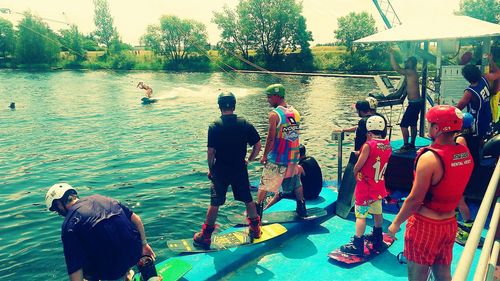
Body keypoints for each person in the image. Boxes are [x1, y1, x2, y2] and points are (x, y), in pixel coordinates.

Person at [388, 105, 474, 281]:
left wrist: (396, 223)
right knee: (443, 272)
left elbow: (415, 199)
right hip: (450, 224)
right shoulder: (464, 152)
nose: (428, 127)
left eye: (430, 124)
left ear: (437, 128)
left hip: (425, 226)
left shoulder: (429, 159)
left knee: (417, 276)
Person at [45, 183, 155, 281]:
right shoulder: (104, 199)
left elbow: (75, 268)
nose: (58, 213)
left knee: (85, 265)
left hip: (111, 271)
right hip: (135, 254)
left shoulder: (69, 225)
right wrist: (144, 244)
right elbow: (137, 219)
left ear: (59, 204)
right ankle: (128, 274)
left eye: (56, 209)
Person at [193, 92, 262, 247]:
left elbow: (211, 152)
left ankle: (205, 236)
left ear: (219, 106)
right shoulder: (245, 123)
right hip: (239, 168)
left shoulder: (214, 126)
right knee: (248, 199)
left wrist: (211, 169)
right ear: (234, 105)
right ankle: (255, 229)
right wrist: (249, 160)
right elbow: (258, 146)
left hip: (221, 170)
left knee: (215, 202)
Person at [339, 115, 392, 255]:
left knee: (361, 215)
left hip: (365, 187)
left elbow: (358, 165)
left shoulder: (368, 145)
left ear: (369, 131)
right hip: (379, 184)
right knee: (377, 212)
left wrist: (355, 172)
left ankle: (357, 243)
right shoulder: (387, 144)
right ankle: (377, 238)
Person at [256, 84, 307, 219]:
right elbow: (292, 135)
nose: (268, 100)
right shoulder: (295, 112)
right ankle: (302, 208)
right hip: (293, 156)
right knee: (296, 182)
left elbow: (270, 138)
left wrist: (265, 155)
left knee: (265, 185)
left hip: (277, 158)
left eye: (269, 97)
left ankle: (256, 214)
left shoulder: (274, 115)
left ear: (277, 96)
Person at [457, 54, 500, 138]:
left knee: (476, 146)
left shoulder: (469, 92)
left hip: (476, 124)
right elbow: (498, 73)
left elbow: (458, 108)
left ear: (466, 78)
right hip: (487, 119)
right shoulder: (485, 78)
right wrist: (490, 60)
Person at [390, 50, 422, 152]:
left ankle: (406, 145)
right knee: (412, 124)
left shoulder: (410, 72)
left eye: (407, 61)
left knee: (404, 125)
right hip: (416, 103)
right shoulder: (413, 73)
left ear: (411, 63)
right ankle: (412, 143)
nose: (405, 63)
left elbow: (397, 68)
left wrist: (392, 55)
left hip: (414, 104)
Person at [455, 112, 476, 241]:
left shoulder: (460, 139)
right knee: (455, 201)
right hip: (470, 173)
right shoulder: (473, 136)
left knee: (459, 201)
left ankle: (469, 226)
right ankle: (454, 224)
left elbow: (460, 157)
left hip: (463, 174)